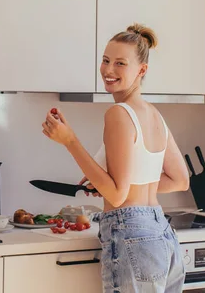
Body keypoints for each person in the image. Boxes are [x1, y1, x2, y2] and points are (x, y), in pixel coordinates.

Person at [41, 23, 190, 293]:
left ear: (141, 70)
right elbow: (180, 180)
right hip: (161, 234)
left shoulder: (119, 114)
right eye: (106, 60)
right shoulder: (155, 115)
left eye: (120, 63)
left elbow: (119, 197)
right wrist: (108, 183)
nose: (108, 70)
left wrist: (69, 141)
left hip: (132, 235)